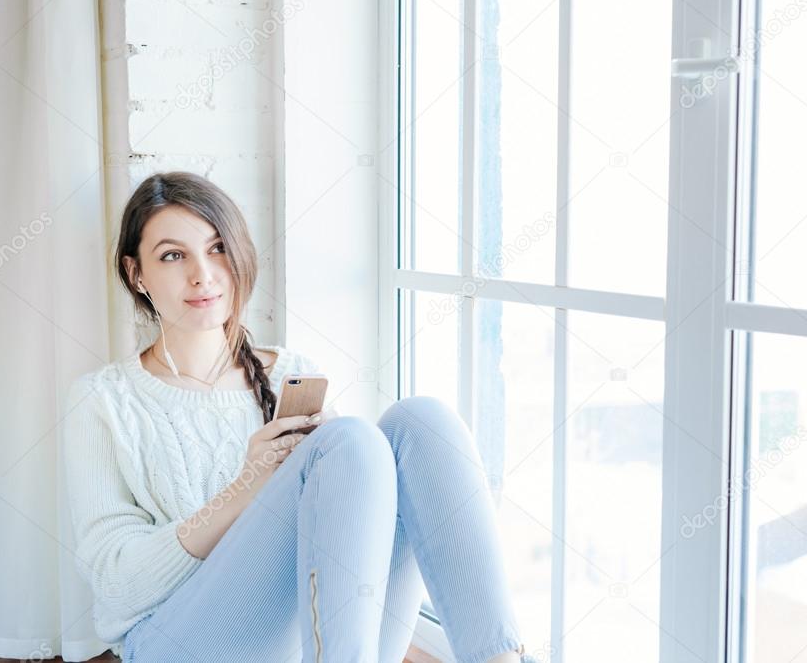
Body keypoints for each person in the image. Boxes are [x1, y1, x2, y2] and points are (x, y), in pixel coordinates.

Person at [61, 171, 527, 662]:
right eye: (173, 256)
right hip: (178, 641)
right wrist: (249, 485)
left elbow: (349, 546)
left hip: (312, 637)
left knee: (421, 422)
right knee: (349, 440)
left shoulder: (293, 373)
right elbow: (116, 584)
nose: (203, 273)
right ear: (137, 274)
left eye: (217, 247)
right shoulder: (103, 402)